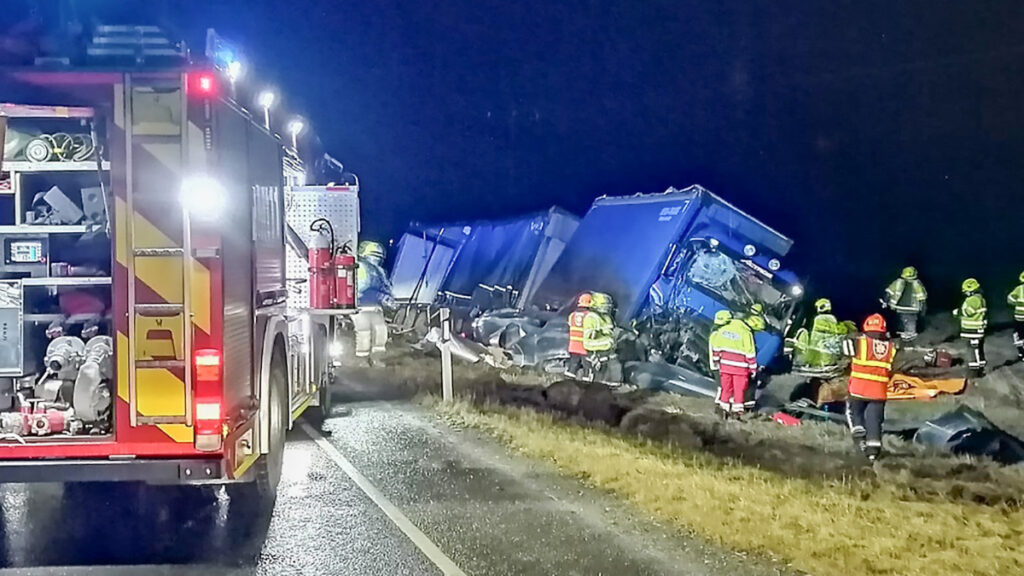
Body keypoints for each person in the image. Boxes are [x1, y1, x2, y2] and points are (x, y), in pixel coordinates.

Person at [843, 313, 895, 462]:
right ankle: (873, 453)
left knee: (853, 412)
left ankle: (859, 435)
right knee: (875, 421)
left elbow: (844, 350)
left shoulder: (859, 343)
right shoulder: (891, 347)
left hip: (858, 390)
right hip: (879, 392)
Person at [709, 309, 758, 419]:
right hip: (741, 369)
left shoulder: (722, 330)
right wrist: (753, 369)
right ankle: (737, 413)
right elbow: (750, 353)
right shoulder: (746, 333)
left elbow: (716, 348)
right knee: (739, 390)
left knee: (726, 389)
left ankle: (723, 410)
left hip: (725, 366)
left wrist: (717, 361)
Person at [353, 240, 392, 361]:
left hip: (376, 308)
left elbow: (387, 287)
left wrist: (389, 298)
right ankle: (362, 359)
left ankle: (377, 358)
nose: (376, 260)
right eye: (373, 256)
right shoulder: (360, 268)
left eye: (378, 257)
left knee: (381, 331)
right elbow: (361, 288)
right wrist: (381, 296)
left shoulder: (380, 271)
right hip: (361, 307)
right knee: (364, 332)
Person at [883, 266, 928, 342]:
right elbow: (922, 298)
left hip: (898, 308)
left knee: (899, 321)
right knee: (910, 321)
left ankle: (899, 333)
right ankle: (909, 334)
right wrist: (923, 309)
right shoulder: (918, 284)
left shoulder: (897, 282)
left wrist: (885, 301)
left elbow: (888, 293)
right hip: (912, 309)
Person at [953, 278, 987, 375]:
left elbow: (969, 312)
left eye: (966, 291)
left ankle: (975, 370)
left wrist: (958, 312)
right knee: (977, 349)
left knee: (973, 349)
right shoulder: (979, 298)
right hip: (976, 329)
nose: (965, 293)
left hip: (973, 330)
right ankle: (980, 367)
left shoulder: (974, 299)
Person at [582, 292, 618, 382]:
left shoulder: (607, 318)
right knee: (593, 380)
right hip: (594, 355)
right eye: (604, 305)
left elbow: (610, 333)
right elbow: (587, 343)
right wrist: (607, 342)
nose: (607, 307)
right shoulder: (591, 318)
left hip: (606, 354)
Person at [804, 298, 842, 368]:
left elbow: (815, 334)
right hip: (830, 342)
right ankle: (827, 364)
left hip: (819, 341)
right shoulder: (833, 318)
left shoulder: (818, 318)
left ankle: (814, 364)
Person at [565, 292, 592, 377]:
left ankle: (567, 382)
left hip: (573, 345)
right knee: (587, 368)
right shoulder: (589, 316)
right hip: (585, 346)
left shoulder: (572, 315)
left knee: (572, 366)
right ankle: (587, 385)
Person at [1006, 272, 1024, 362]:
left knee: (1018, 335)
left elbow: (1010, 299)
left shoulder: (1019, 289)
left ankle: (1022, 353)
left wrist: (1017, 303)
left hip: (1020, 317)